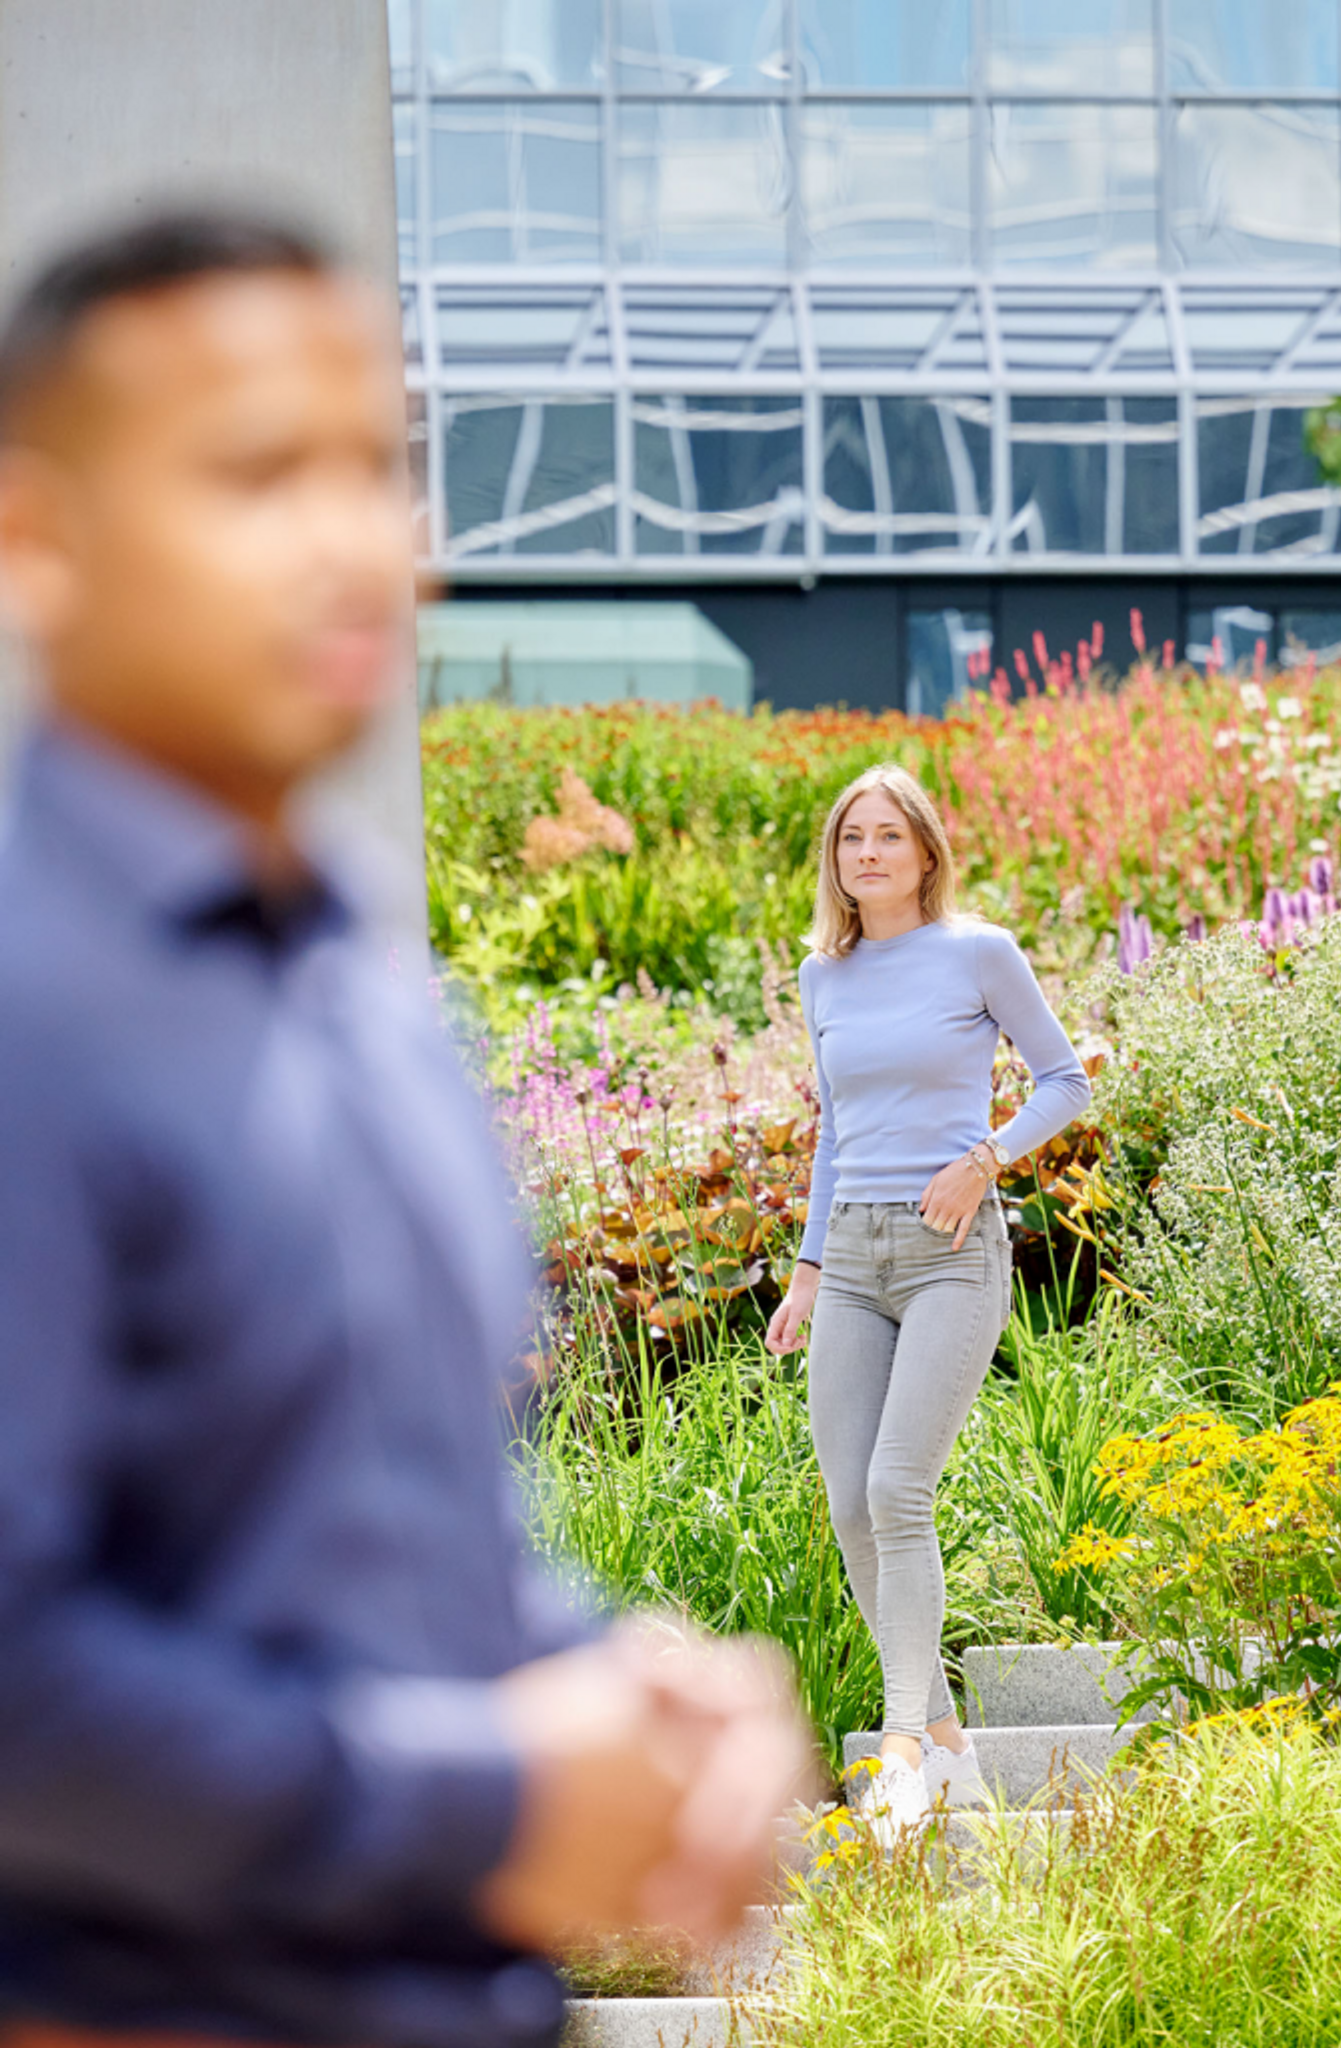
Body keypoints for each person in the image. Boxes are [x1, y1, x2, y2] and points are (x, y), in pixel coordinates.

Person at [0, 209, 809, 2048]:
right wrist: (492, 1795)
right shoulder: (27, 1010)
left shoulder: (359, 973)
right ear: (36, 541)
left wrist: (637, 1695)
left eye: (380, 467)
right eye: (259, 471)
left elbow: (374, 1529)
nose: (353, 540)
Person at [766, 766, 1092, 1842]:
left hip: (954, 1250)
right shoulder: (824, 974)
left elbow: (1066, 1079)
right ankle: (948, 1741)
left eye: (887, 836)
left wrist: (987, 1158)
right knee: (850, 1502)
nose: (867, 853)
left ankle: (901, 1743)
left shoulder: (978, 952)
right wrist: (809, 1273)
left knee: (899, 1484)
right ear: (837, 858)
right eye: (851, 837)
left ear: (925, 851)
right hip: (853, 1254)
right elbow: (832, 1134)